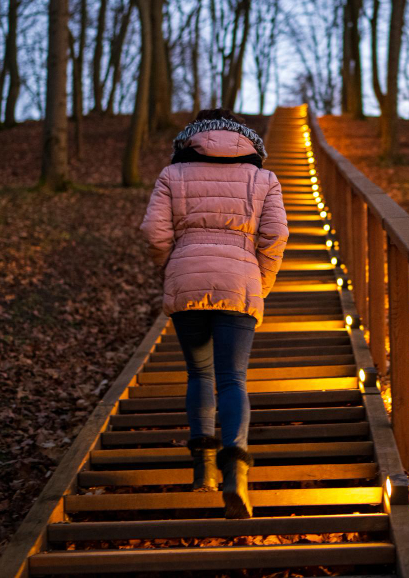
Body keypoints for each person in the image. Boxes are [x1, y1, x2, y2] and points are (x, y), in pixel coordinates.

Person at [140, 109, 288, 519]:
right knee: (233, 379)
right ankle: (235, 475)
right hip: (240, 281)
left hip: (186, 284)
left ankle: (202, 471)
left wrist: (174, 268)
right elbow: (275, 236)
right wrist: (261, 281)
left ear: (192, 138)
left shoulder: (173, 175)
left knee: (200, 374)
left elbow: (154, 233)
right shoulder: (264, 179)